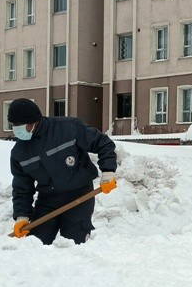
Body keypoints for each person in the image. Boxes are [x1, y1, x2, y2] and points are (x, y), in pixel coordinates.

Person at [8, 98, 118, 245]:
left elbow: (103, 143)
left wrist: (108, 171)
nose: (18, 130)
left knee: (73, 243)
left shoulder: (67, 128)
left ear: (35, 122)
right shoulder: (19, 152)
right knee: (35, 243)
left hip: (80, 195)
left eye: (22, 126)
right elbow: (22, 187)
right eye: (15, 126)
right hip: (48, 200)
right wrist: (22, 216)